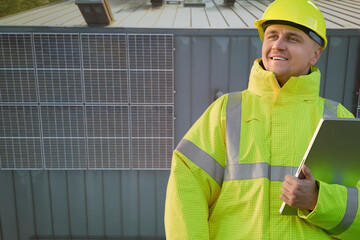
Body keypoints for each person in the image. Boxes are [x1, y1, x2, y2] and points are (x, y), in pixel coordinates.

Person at [164, 0, 360, 239]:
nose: (278, 45)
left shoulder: (338, 119)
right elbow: (187, 187)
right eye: (272, 36)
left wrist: (319, 200)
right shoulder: (227, 110)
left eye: (292, 38)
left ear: (315, 54)